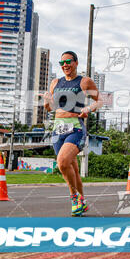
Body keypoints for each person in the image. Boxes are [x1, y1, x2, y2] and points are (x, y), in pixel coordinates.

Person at [42, 51, 103, 216]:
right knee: (73, 170)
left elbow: (100, 100)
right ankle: (81, 202)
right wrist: (47, 101)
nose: (65, 65)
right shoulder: (55, 82)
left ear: (76, 63)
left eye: (68, 62)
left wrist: (88, 109)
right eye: (62, 63)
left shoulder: (84, 81)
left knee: (61, 163)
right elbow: (51, 108)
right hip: (57, 129)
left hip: (75, 127)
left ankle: (74, 197)